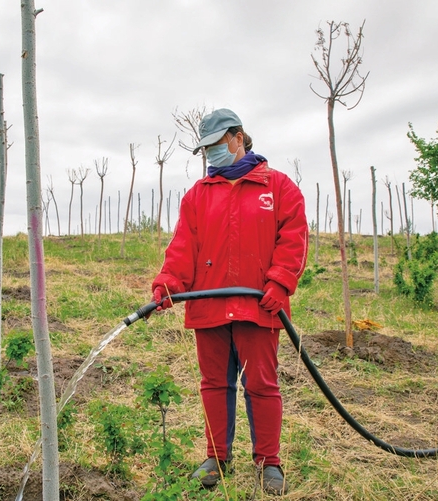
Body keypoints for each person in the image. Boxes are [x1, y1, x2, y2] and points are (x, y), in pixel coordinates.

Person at [151, 108, 308, 495]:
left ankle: (268, 462)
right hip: (209, 307)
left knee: (262, 385)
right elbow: (183, 247)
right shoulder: (198, 196)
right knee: (214, 384)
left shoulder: (279, 187)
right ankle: (217, 456)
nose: (211, 155)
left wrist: (281, 282)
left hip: (260, 306)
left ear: (238, 138)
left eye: (217, 145)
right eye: (205, 150)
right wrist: (169, 281)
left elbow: (293, 238)